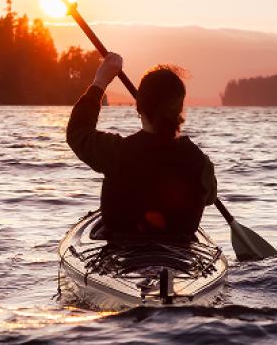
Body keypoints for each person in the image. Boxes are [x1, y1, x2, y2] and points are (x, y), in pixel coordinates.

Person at [66, 52, 217, 244]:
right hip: (180, 255)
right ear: (179, 110)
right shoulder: (200, 163)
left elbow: (78, 132)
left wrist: (100, 81)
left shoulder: (116, 153)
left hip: (122, 252)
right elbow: (210, 197)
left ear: (139, 107)